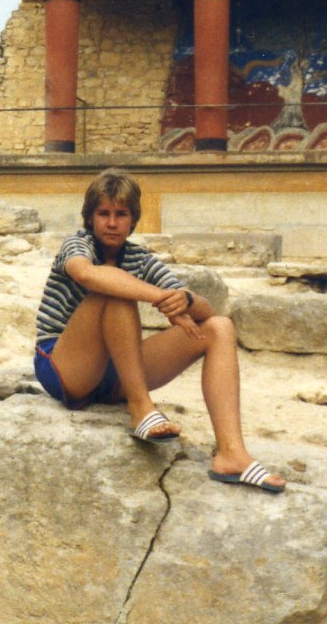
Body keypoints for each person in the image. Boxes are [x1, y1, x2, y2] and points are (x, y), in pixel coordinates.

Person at [33, 169, 285, 493]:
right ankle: (141, 408)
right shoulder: (78, 245)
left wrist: (186, 300)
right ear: (90, 217)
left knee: (220, 328)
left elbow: (207, 310)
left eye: (121, 214)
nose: (112, 223)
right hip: (65, 366)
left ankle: (231, 454)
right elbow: (86, 274)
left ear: (133, 219)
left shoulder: (139, 258)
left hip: (116, 371)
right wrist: (157, 298)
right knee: (113, 289)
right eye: (104, 214)